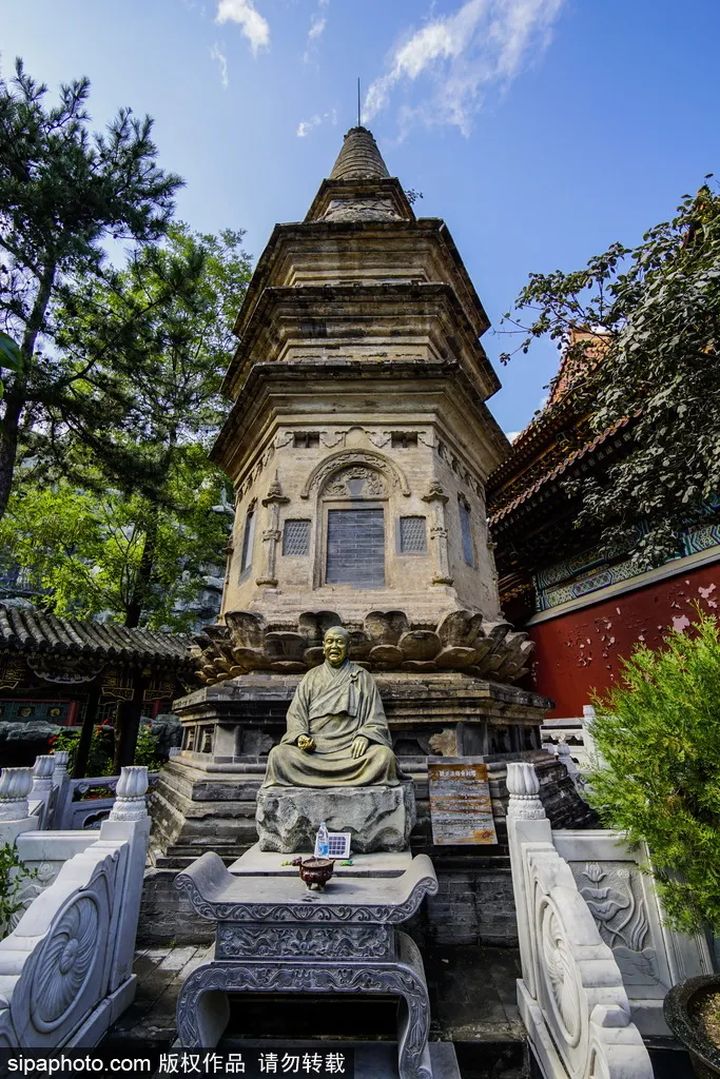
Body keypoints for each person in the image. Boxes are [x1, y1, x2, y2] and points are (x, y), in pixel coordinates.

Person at [262, 626, 401, 787]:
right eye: (330, 641)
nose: (334, 646)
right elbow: (296, 715)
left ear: (348, 648)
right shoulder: (311, 677)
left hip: (350, 751)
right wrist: (300, 736)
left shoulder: (363, 677)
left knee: (384, 756)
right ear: (324, 647)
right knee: (278, 755)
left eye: (340, 642)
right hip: (314, 752)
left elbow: (375, 717)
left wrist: (365, 736)